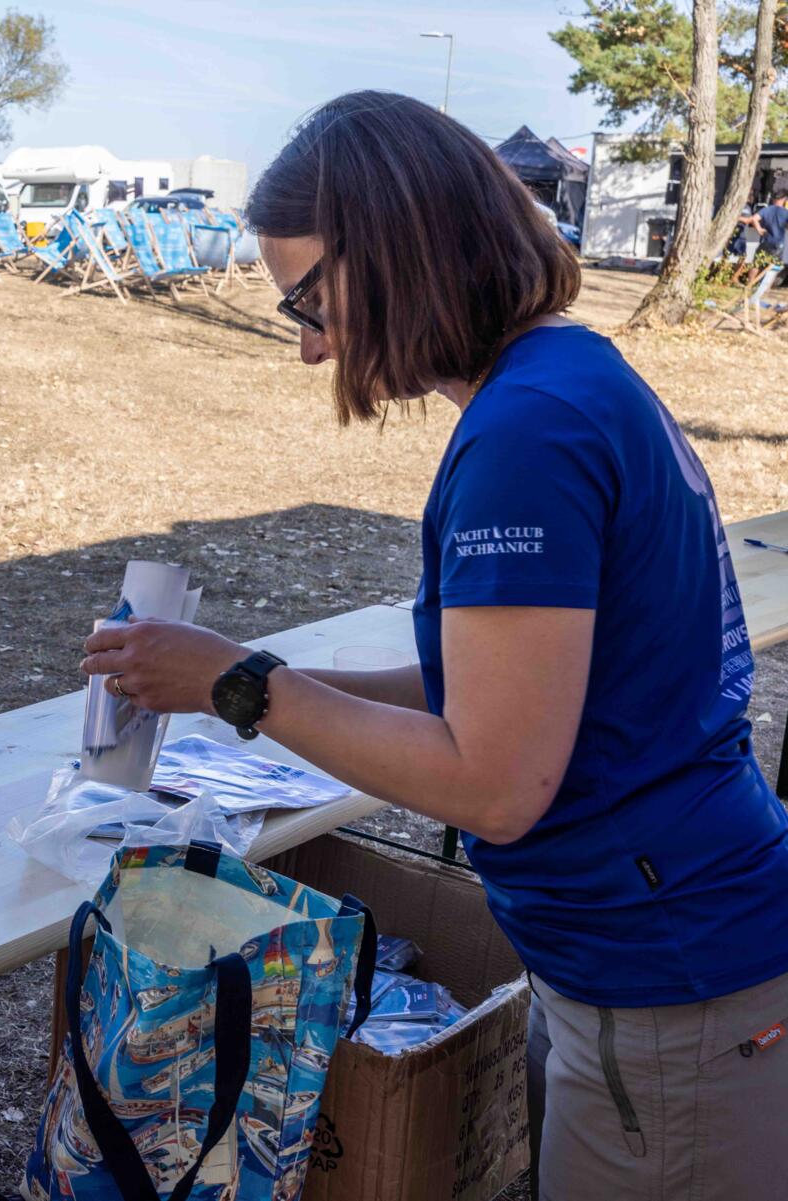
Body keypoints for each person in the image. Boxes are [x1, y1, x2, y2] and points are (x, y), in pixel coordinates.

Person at [80, 91, 788, 1200]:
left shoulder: (527, 434)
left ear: (399, 244)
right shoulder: (565, 377)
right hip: (652, 955)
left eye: (309, 301)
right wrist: (250, 685)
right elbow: (492, 692)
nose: (313, 346)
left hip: (667, 978)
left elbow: (496, 784)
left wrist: (243, 682)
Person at [742, 188, 788, 263]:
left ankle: (753, 274)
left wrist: (759, 229)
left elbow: (753, 219)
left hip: (767, 243)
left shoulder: (768, 209)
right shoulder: (786, 213)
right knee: (779, 266)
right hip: (781, 246)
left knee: (757, 264)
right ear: (785, 200)